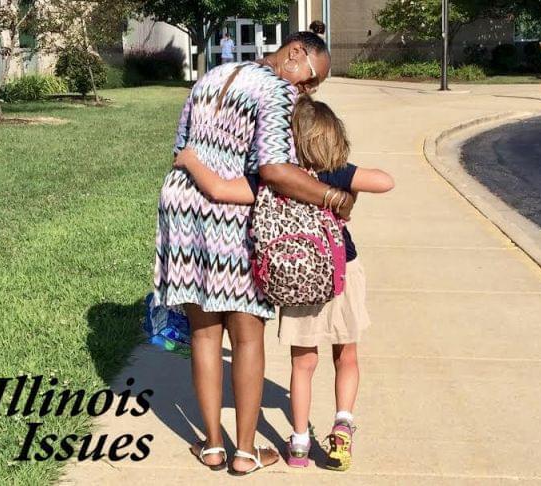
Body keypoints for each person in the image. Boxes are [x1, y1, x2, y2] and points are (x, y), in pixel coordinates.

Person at [153, 31, 353, 475]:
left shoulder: (212, 76)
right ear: (296, 52)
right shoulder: (279, 92)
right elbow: (274, 170)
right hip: (235, 215)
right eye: (311, 79)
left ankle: (210, 445)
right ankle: (244, 452)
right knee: (247, 336)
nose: (308, 90)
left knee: (204, 333)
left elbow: (180, 150)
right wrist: (331, 197)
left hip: (184, 210)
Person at [174, 95, 395, 471]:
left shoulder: (271, 178)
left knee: (303, 364)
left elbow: (221, 190)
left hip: (295, 283)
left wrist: (191, 160)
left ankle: (299, 443)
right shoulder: (335, 173)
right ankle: (342, 423)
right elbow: (385, 181)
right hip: (341, 274)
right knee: (347, 356)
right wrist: (347, 190)